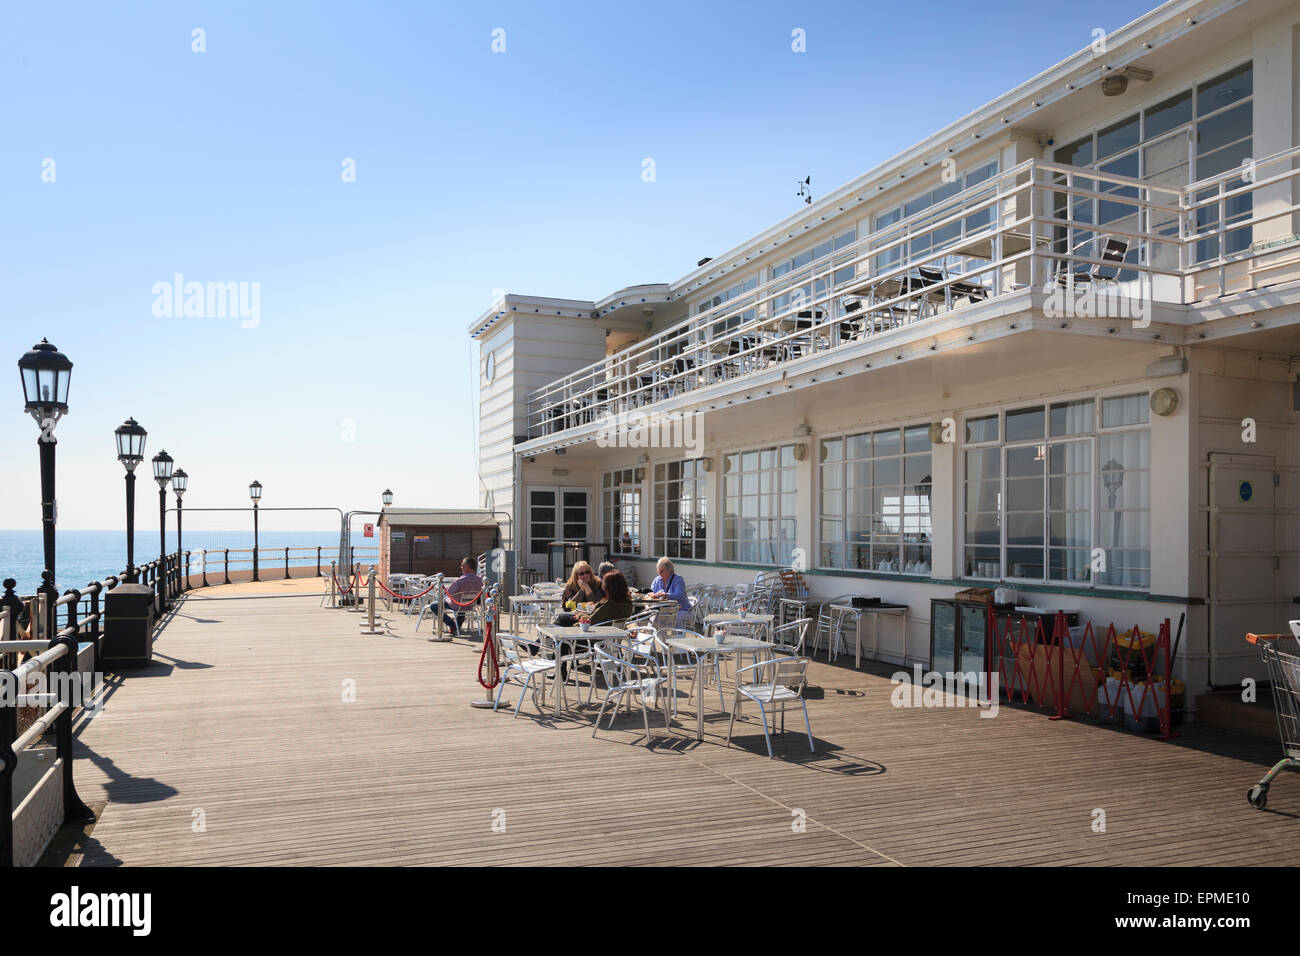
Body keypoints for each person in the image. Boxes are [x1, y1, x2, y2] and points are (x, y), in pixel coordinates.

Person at [554, 561, 604, 626]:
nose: (585, 575)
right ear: (576, 576)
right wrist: (582, 590)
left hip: (594, 617)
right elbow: (569, 606)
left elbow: (599, 604)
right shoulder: (571, 586)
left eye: (587, 572)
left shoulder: (597, 584)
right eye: (581, 573)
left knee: (561, 619)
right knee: (561, 619)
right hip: (576, 616)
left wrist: (587, 588)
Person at [442, 557, 483, 636]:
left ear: (466, 566)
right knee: (462, 607)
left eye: (462, 565)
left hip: (457, 604)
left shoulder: (460, 581)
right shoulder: (480, 580)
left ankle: (452, 624)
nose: (461, 567)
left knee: (434, 606)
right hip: (470, 605)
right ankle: (456, 625)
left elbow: (449, 593)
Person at [648, 557, 691, 625]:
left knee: (676, 617)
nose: (659, 573)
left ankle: (678, 635)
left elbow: (680, 596)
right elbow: (651, 592)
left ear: (669, 570)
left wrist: (664, 595)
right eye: (658, 571)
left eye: (661, 571)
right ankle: (658, 635)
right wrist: (651, 594)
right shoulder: (657, 580)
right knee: (654, 616)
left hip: (681, 609)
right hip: (665, 610)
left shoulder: (678, 579)